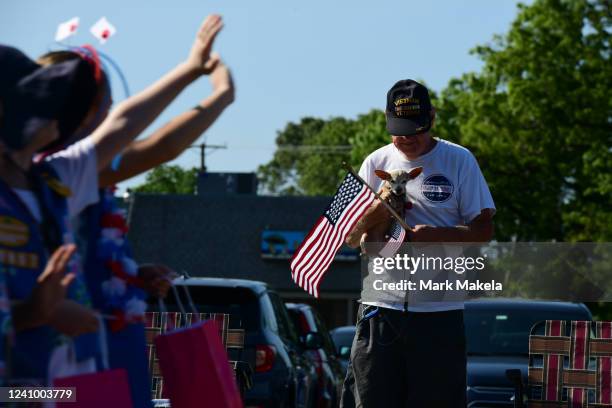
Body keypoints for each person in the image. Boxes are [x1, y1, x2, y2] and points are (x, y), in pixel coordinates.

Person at [1, 15, 228, 387]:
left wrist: (190, 70)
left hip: (71, 383)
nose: (57, 107)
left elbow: (123, 124)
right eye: (40, 98)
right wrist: (39, 311)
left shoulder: (53, 180)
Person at [341, 79, 495, 407]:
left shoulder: (458, 160)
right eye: (399, 130)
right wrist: (376, 210)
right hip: (381, 307)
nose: (408, 139)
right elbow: (350, 236)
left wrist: (436, 235)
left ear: (432, 118)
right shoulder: (375, 163)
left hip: (439, 310)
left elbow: (483, 231)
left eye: (416, 129)